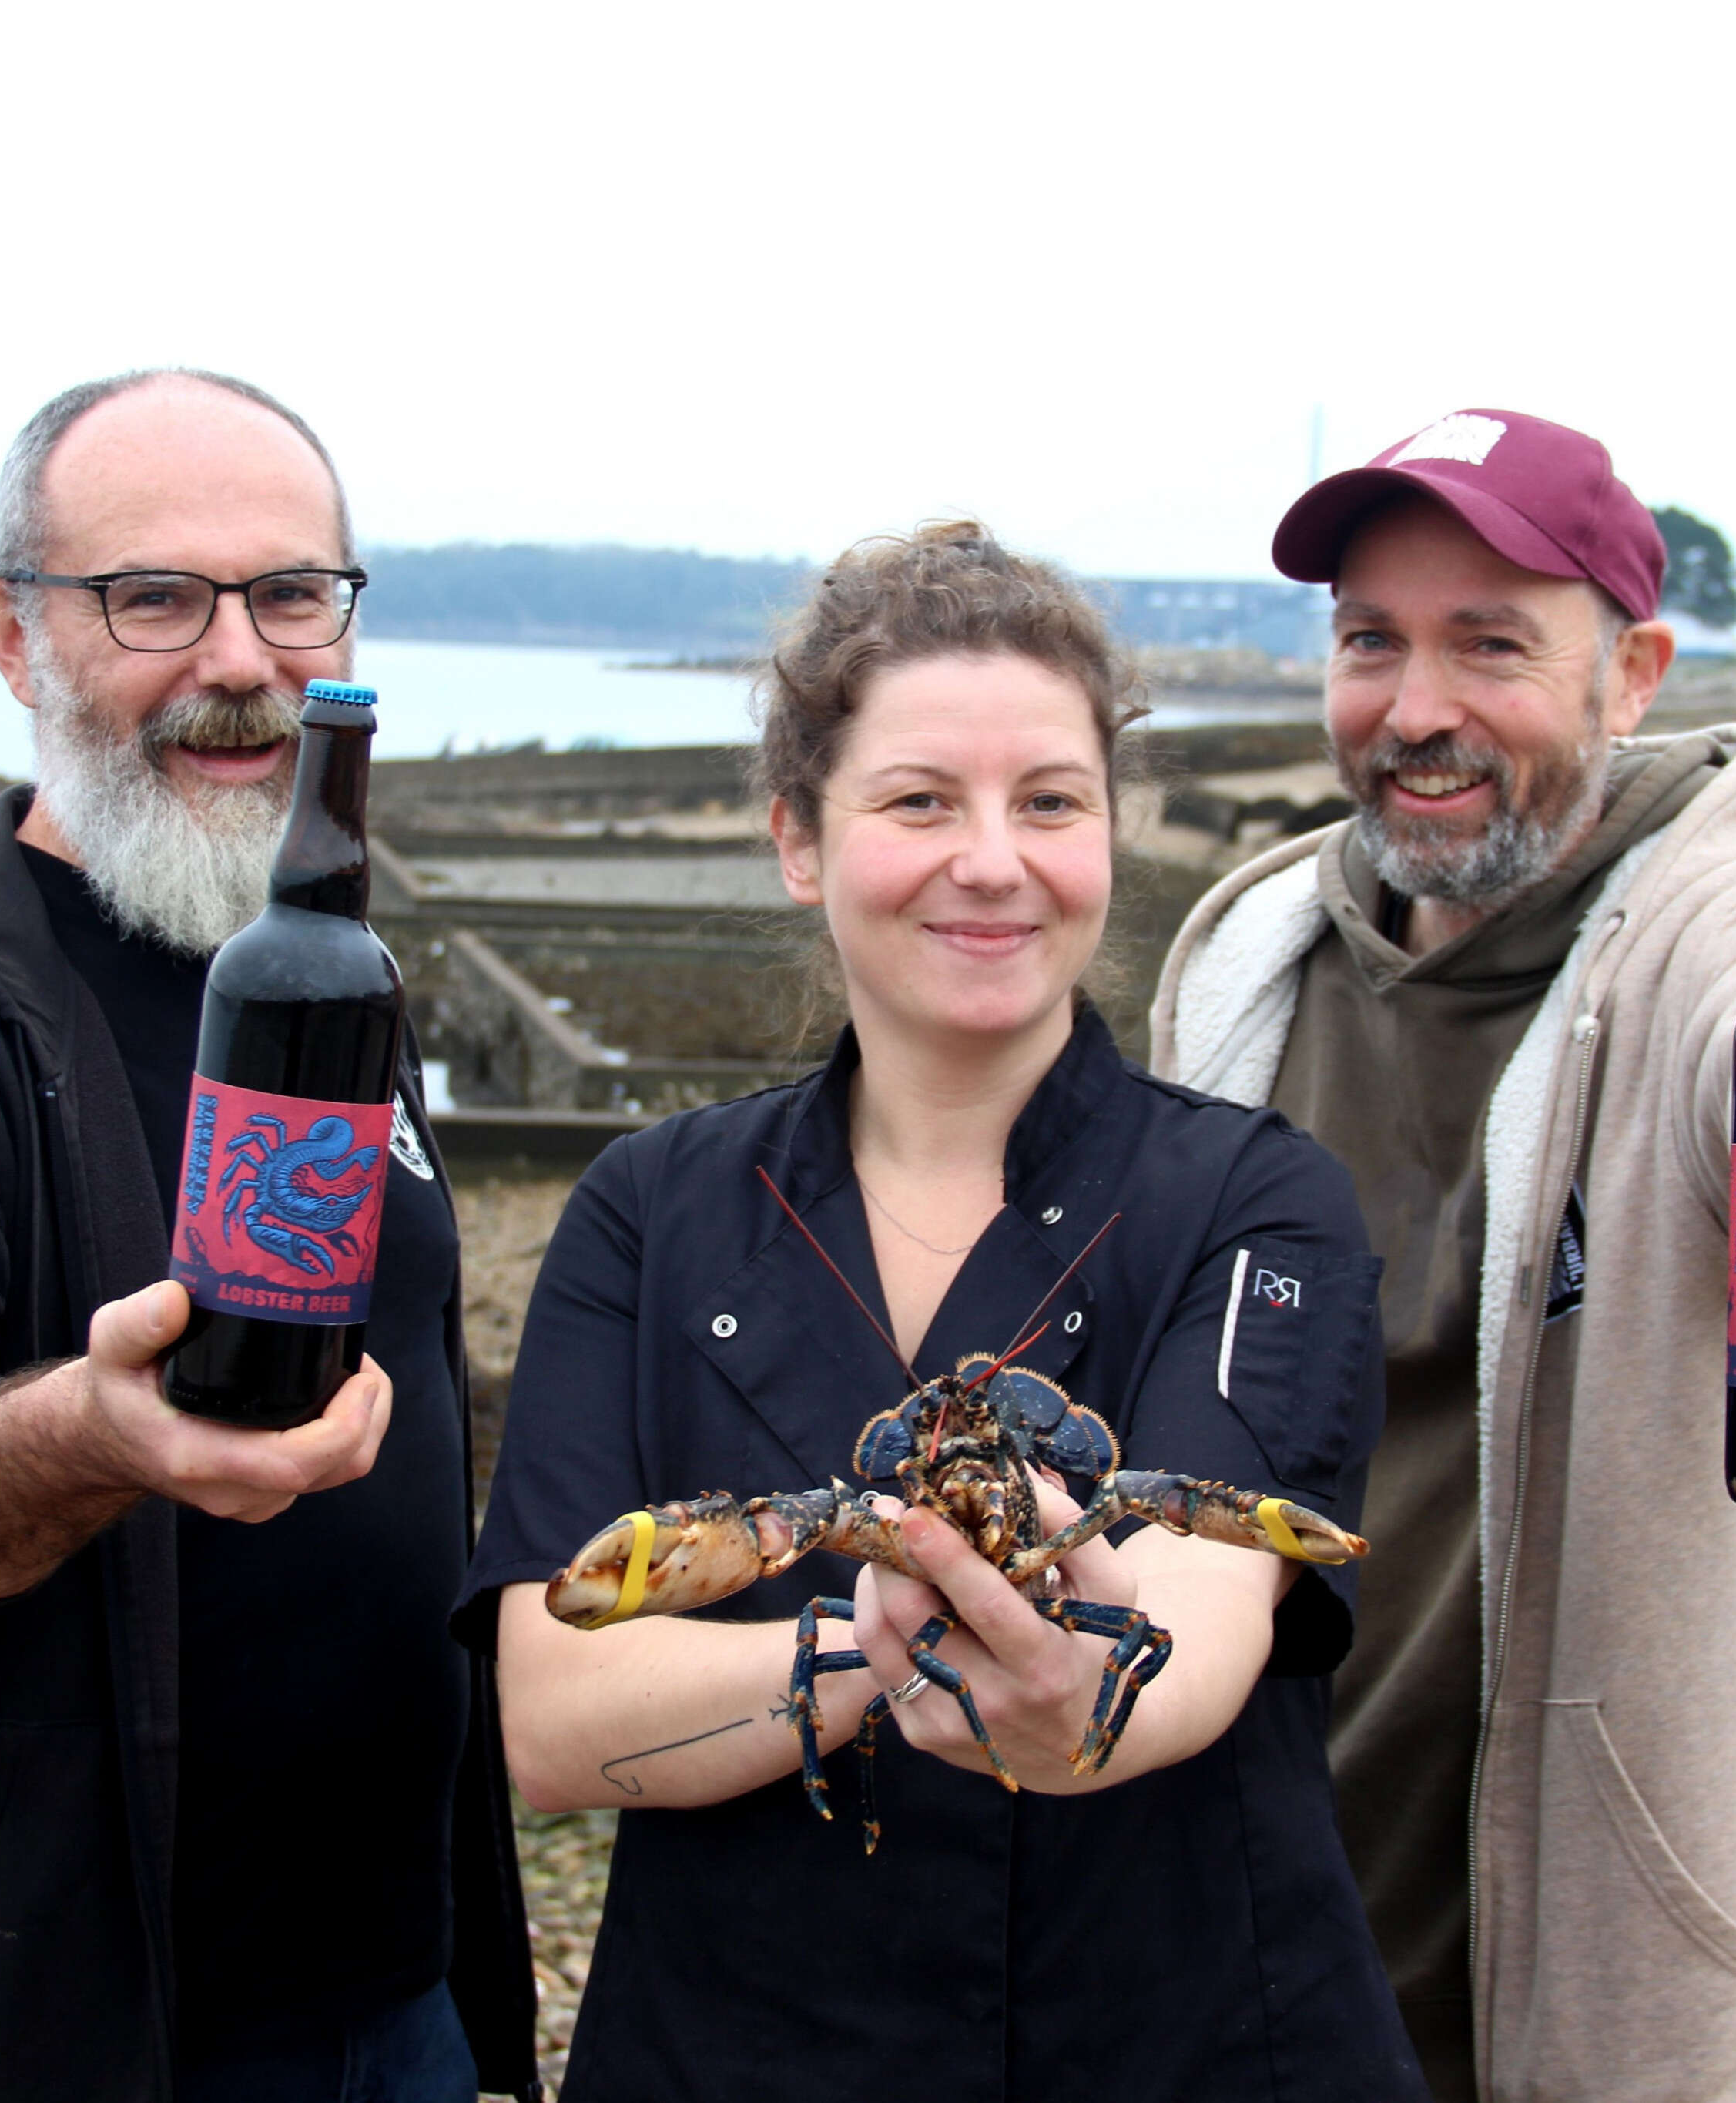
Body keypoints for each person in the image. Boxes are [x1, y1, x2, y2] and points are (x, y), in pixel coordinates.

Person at [455, 522, 1426, 2102]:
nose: (992, 858)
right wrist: (892, 1638)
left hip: (1192, 2046)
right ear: (794, 837)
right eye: (918, 800)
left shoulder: (1257, 1201)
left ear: (1116, 830)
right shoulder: (651, 1210)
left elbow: (1193, 1627)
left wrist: (1075, 1693)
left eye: (1050, 800)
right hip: (735, 2052)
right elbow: (552, 1721)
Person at [1149, 408, 1736, 2103]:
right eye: (1369, 643)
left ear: (1630, 672)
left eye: (1489, 644)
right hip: (1251, 1933)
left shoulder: (1731, 927)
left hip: (1618, 1966)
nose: (1415, 710)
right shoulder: (1243, 958)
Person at [0, 368, 537, 2103]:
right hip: (46, 2031)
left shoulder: (336, 988)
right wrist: (95, 1437)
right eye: (152, 599)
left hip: (393, 2004)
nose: (238, 661)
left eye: (289, 594)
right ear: (13, 639)